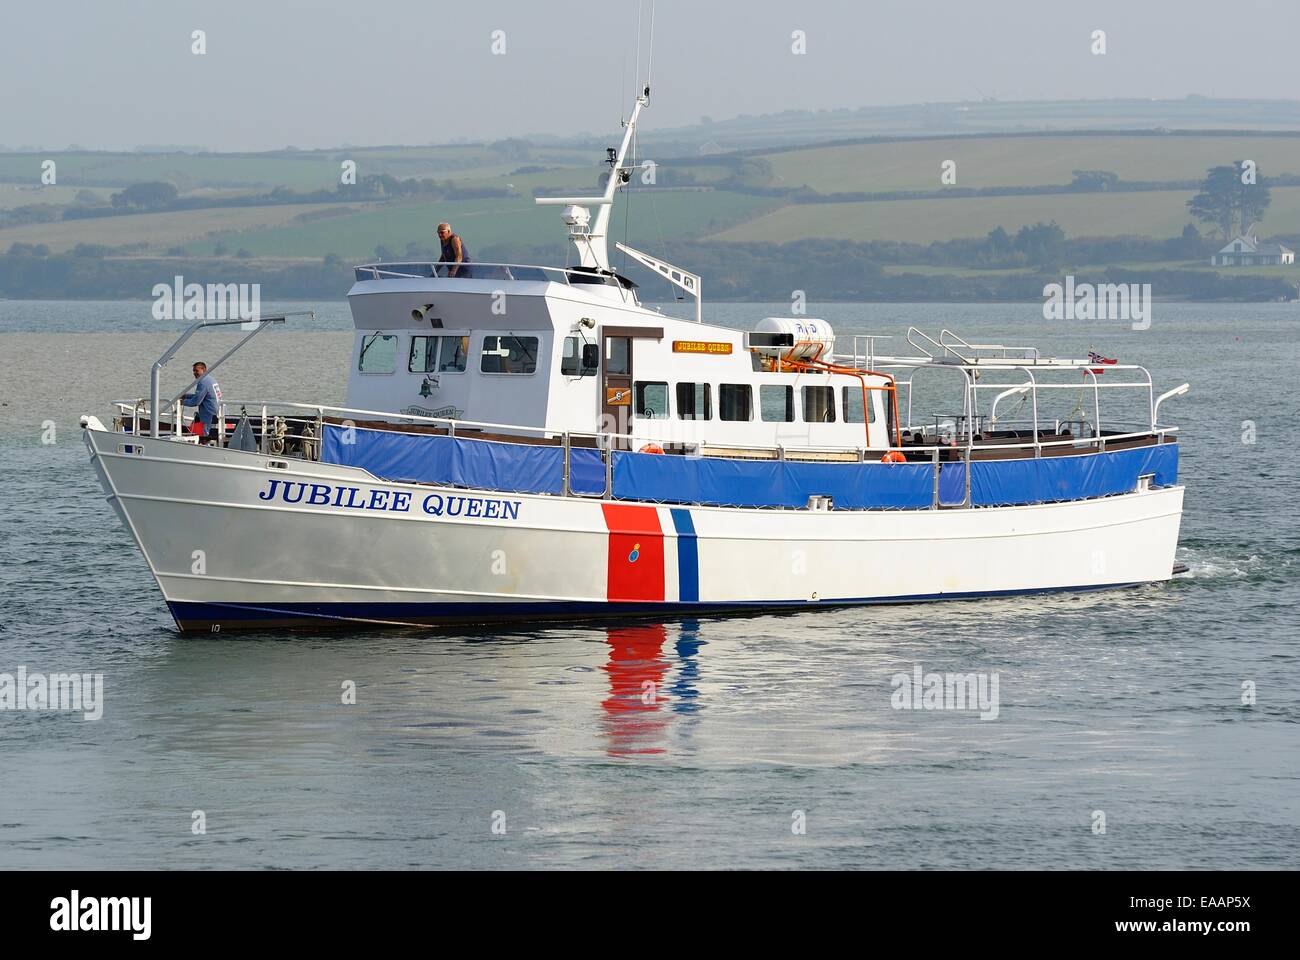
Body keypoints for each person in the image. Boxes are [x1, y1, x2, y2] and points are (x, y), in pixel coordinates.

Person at [182, 361, 223, 442]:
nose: (194, 373)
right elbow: (202, 397)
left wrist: (182, 402)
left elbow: (196, 402)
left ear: (203, 370)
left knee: (207, 438)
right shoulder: (211, 379)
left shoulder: (203, 382)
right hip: (218, 414)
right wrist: (186, 396)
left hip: (210, 417)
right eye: (193, 371)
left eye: (196, 370)